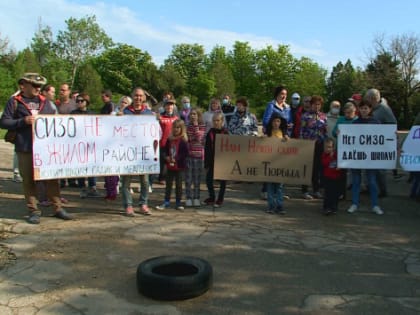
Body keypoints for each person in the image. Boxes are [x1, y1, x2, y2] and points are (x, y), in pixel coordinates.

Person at [0, 73, 73, 224]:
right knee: (29, 180)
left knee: (52, 179)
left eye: (39, 86)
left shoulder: (45, 102)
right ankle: (33, 210)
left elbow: (56, 121)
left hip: (46, 149)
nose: (37, 88)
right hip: (25, 147)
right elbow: (4, 122)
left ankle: (58, 208)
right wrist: (23, 121)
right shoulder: (15, 101)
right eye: (34, 85)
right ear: (23, 85)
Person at [120, 87, 154, 216]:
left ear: (144, 97)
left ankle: (143, 204)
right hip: (127, 152)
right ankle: (128, 205)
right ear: (132, 96)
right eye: (136, 95)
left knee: (144, 181)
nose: (138, 98)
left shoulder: (149, 114)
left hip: (143, 153)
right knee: (126, 181)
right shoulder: (125, 112)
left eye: (140, 96)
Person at [346, 100, 383, 215]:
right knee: (356, 181)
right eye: (362, 108)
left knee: (371, 181)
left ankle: (375, 205)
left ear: (370, 109)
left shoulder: (376, 123)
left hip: (371, 157)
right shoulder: (355, 123)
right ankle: (355, 203)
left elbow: (382, 137)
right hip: (357, 156)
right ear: (359, 109)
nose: (364, 110)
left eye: (366, 108)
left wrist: (392, 135)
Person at [364, 88, 397, 197]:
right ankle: (369, 187)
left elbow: (392, 124)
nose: (365, 99)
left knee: (379, 169)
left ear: (373, 98)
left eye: (367, 98)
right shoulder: (372, 108)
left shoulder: (384, 109)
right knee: (367, 166)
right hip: (369, 143)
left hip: (380, 144)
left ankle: (382, 190)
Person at [70, 93, 102, 198]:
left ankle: (93, 187)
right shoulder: (73, 114)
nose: (79, 102)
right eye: (77, 101)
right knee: (80, 167)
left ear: (86, 102)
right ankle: (82, 188)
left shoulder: (92, 114)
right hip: (78, 144)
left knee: (92, 167)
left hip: (90, 144)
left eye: (81, 101)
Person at [156, 119, 189, 210]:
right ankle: (166, 201)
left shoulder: (183, 140)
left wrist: (177, 159)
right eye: (174, 127)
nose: (176, 129)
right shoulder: (169, 139)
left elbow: (185, 153)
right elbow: (165, 151)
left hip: (179, 166)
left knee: (179, 185)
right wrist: (166, 157)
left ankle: (178, 202)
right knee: (168, 184)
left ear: (182, 129)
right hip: (170, 166)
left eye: (178, 128)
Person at [300, 95, 328, 199]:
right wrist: (302, 143)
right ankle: (304, 191)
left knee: (317, 168)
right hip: (308, 144)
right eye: (315, 104)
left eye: (319, 104)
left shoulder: (323, 116)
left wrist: (325, 143)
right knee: (307, 168)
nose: (317, 106)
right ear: (311, 105)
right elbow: (302, 131)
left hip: (319, 144)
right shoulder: (305, 116)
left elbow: (325, 131)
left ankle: (316, 190)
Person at [265, 113, 288, 214]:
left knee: (279, 186)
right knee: (270, 186)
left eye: (278, 121)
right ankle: (271, 206)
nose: (276, 123)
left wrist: (287, 140)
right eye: (274, 121)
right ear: (271, 122)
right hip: (269, 162)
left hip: (280, 162)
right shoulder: (268, 133)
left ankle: (279, 206)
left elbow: (290, 145)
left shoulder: (283, 133)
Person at [204, 112, 228, 207]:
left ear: (222, 121)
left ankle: (220, 199)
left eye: (218, 120)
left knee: (223, 182)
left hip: (222, 161)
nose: (215, 122)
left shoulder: (226, 133)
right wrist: (206, 163)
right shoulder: (210, 132)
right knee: (209, 180)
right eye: (214, 120)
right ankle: (212, 197)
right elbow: (206, 148)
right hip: (212, 160)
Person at [56, 83, 78, 188]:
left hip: (72, 135)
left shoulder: (74, 104)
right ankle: (61, 179)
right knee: (60, 158)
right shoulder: (56, 104)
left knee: (71, 157)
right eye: (60, 90)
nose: (61, 92)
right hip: (59, 135)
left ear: (69, 91)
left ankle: (72, 179)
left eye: (64, 90)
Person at [185, 108, 206, 207]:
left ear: (198, 116)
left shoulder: (202, 126)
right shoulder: (187, 126)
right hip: (189, 155)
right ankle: (188, 198)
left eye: (195, 114)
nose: (193, 116)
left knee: (197, 179)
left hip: (199, 156)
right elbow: (189, 138)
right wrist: (194, 135)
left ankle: (196, 197)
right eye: (191, 114)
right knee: (188, 179)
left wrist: (196, 126)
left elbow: (199, 138)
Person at [158, 98, 179, 184]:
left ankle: (170, 177)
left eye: (171, 105)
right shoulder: (160, 117)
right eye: (168, 105)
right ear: (164, 106)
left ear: (173, 106)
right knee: (162, 161)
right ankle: (161, 178)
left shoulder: (176, 117)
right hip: (162, 143)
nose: (169, 106)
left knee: (172, 160)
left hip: (173, 143)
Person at [321, 138, 343, 215]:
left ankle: (334, 208)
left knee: (335, 194)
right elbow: (324, 163)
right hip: (327, 177)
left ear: (333, 147)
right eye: (326, 147)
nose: (328, 149)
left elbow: (341, 161)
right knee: (328, 194)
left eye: (330, 147)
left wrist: (340, 167)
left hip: (336, 178)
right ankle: (326, 208)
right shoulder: (324, 155)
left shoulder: (336, 154)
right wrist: (330, 157)